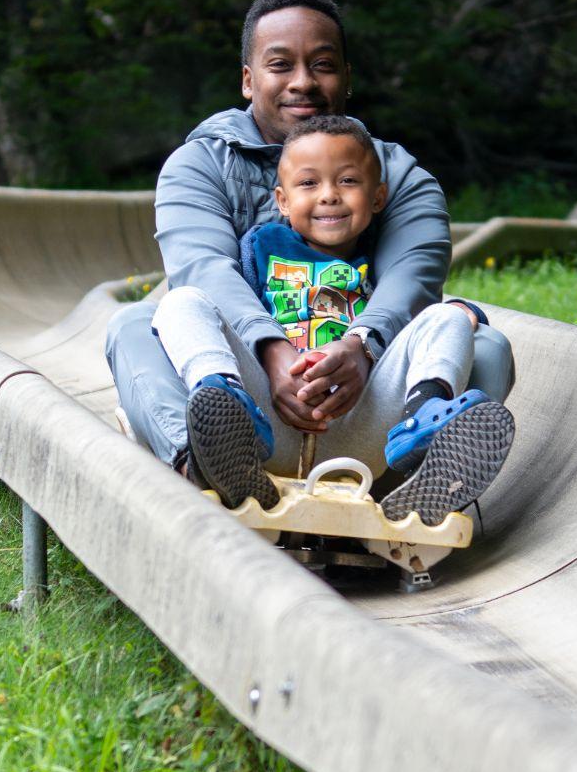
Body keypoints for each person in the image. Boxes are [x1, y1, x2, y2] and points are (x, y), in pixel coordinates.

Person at [104, 0, 515, 493]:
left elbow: (412, 280)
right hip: (250, 383)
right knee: (134, 323)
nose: (303, 82)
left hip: (362, 395)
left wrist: (361, 349)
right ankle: (205, 467)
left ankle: (423, 486)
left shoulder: (399, 176)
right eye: (280, 66)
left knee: (488, 346)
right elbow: (204, 271)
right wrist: (272, 352)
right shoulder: (201, 165)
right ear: (249, 81)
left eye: (322, 64)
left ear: (347, 78)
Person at [153, 116, 515, 525]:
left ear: (378, 198)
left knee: (448, 316)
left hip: (365, 426)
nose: (329, 196)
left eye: (347, 182)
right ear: (282, 200)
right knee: (180, 301)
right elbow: (228, 311)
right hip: (270, 418)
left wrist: (462, 314)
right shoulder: (259, 250)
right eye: (309, 184)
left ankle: (424, 427)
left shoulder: (381, 260)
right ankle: (225, 406)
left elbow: (413, 309)